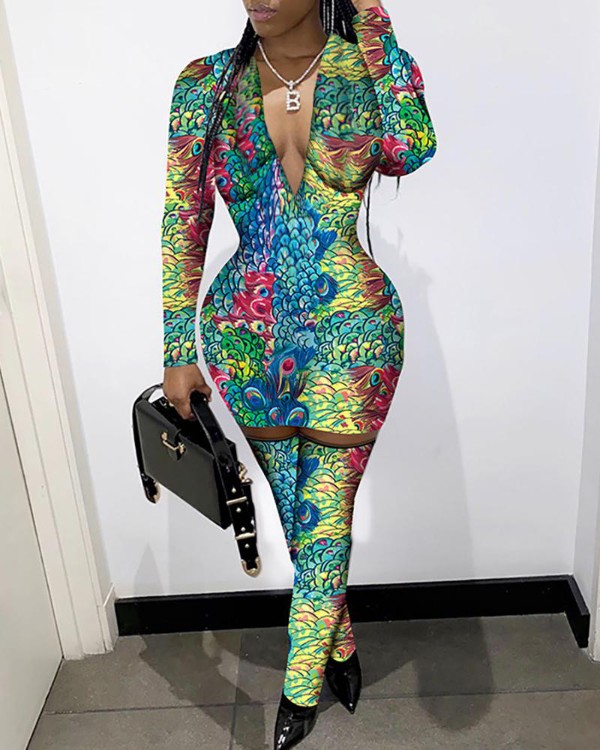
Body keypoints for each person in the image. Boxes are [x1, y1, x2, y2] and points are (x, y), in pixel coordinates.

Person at [161, 0, 436, 746]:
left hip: (355, 334)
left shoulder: (364, 70)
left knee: (325, 517)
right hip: (244, 337)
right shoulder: (204, 85)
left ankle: (300, 688)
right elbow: (184, 218)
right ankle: (340, 646)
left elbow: (412, 145)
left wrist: (373, 23)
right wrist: (177, 349)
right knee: (302, 519)